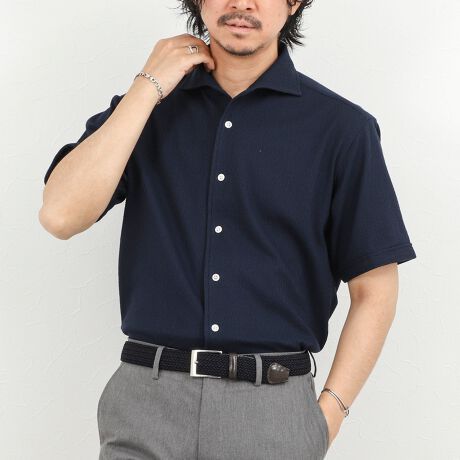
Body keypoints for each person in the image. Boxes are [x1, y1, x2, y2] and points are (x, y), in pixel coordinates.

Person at [40, 0, 417, 458]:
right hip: (144, 405)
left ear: (294, 3)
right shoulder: (146, 110)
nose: (242, 4)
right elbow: (59, 216)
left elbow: (375, 289)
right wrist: (147, 85)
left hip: (272, 414)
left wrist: (328, 414)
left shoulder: (343, 129)